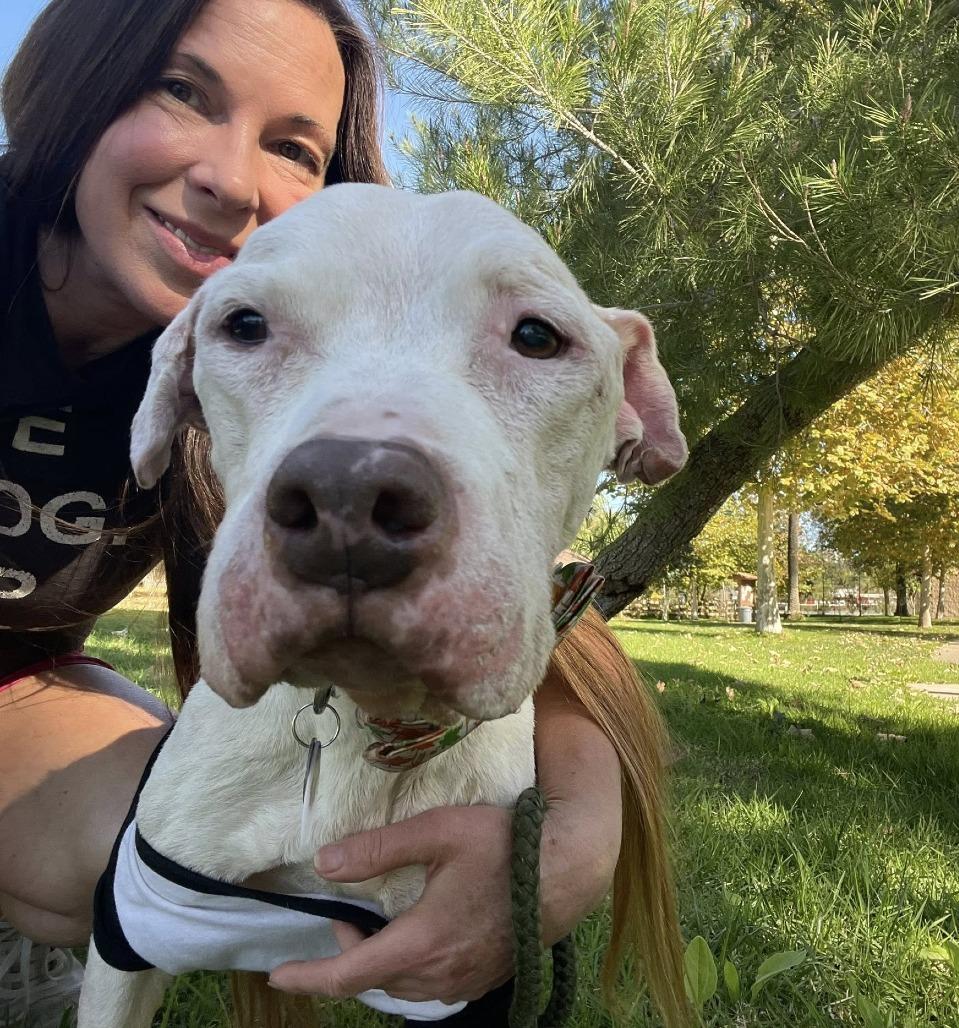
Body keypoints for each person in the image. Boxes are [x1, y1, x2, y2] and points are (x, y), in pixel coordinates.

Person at [0, 0, 688, 1026]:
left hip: (21, 676)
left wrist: (571, 830)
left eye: (292, 146)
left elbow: (540, 593)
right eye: (181, 91)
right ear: (74, 79)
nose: (233, 181)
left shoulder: (296, 354)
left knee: (162, 838)